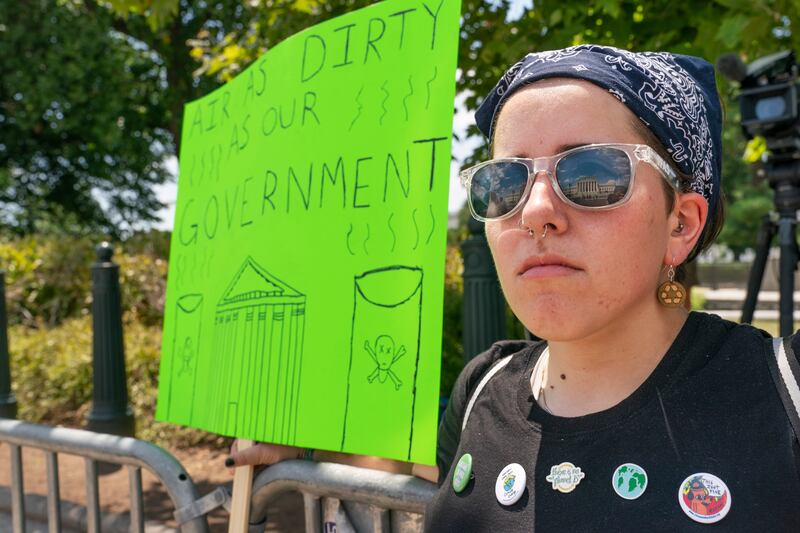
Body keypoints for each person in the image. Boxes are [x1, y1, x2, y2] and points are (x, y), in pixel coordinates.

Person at [227, 45, 800, 530]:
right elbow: (417, 480)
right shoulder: (486, 384)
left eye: (592, 174)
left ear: (681, 224)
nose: (537, 211)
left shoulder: (784, 391)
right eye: (504, 182)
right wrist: (310, 461)